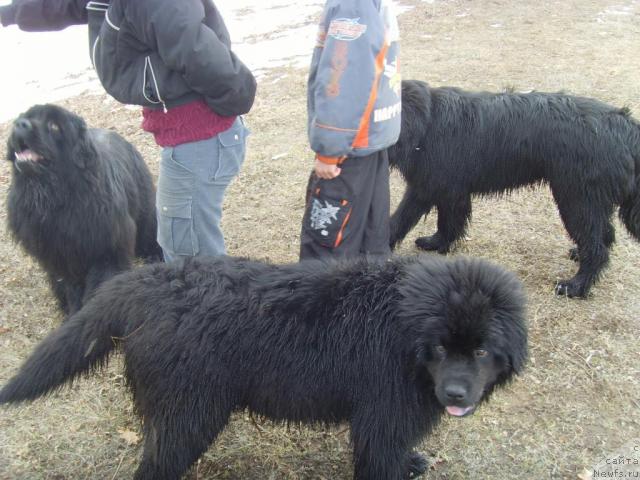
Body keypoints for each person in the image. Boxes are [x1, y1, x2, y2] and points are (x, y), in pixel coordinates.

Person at [0, 0, 257, 262]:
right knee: (179, 238)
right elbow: (69, 4)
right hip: (187, 133)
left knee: (189, 252)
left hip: (201, 134)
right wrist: (8, 13)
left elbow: (197, 51)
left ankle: (206, 301)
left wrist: (234, 98)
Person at [300, 0, 401, 260]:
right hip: (369, 138)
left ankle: (323, 302)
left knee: (325, 250)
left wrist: (329, 151)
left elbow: (344, 77)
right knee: (370, 243)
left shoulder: (351, 5)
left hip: (350, 145)